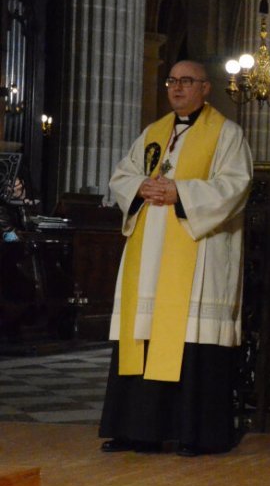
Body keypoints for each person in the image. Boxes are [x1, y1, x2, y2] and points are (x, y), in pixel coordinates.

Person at [99, 59, 253, 456]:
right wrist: (143, 186)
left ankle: (194, 434)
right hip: (148, 255)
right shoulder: (153, 132)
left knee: (189, 339)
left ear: (206, 88)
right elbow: (121, 175)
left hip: (195, 250)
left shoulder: (226, 135)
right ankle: (137, 431)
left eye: (187, 81)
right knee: (143, 335)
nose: (177, 88)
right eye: (172, 81)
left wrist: (180, 194)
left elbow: (235, 186)